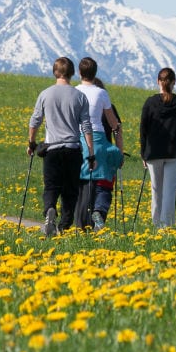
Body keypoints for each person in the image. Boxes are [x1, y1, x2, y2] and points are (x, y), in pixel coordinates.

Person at [28, 57, 96, 236]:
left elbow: (35, 120)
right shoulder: (79, 96)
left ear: (55, 72)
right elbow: (86, 126)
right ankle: (64, 225)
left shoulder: (45, 94)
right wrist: (91, 152)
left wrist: (32, 143)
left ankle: (50, 209)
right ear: (73, 73)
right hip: (73, 149)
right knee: (70, 191)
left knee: (51, 186)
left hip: (52, 149)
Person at [139, 67, 176, 229]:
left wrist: (143, 154)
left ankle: (156, 225)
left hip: (154, 153)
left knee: (156, 190)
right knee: (170, 191)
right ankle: (167, 227)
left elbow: (143, 130)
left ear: (158, 82)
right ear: (174, 82)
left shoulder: (150, 103)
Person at [75, 58, 124, 230]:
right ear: (95, 73)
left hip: (79, 139)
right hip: (100, 141)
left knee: (82, 183)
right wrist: (119, 147)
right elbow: (114, 124)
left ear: (79, 73)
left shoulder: (74, 92)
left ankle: (81, 223)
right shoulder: (101, 94)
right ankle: (99, 211)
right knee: (103, 182)